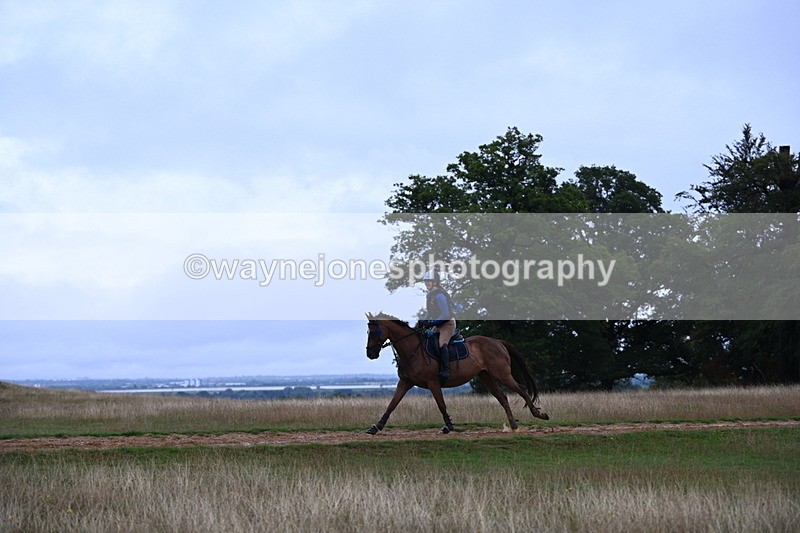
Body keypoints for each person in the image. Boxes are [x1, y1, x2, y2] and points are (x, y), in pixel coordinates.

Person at [419, 270, 456, 384]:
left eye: (428, 281)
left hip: (447, 324)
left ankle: (445, 371)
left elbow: (446, 314)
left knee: (441, 344)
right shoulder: (430, 296)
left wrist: (432, 323)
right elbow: (429, 313)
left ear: (435, 282)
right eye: (425, 281)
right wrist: (423, 322)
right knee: (428, 341)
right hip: (438, 324)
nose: (426, 283)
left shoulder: (439, 296)